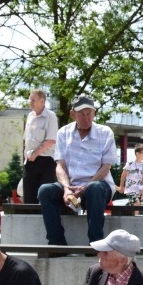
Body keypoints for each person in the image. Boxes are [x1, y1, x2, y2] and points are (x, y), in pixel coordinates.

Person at [38, 94, 118, 245]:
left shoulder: (105, 132)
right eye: (82, 114)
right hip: (71, 185)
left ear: (94, 113)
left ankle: (96, 243)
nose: (86, 118)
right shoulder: (63, 133)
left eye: (90, 113)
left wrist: (85, 187)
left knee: (94, 188)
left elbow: (106, 167)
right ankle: (56, 242)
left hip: (98, 184)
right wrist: (67, 188)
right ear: (72, 114)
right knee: (45, 190)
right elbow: (60, 165)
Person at [21, 89, 59, 204]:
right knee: (28, 197)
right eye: (29, 99)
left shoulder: (50, 116)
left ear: (42, 101)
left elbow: (51, 140)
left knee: (44, 196)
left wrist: (35, 153)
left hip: (46, 162)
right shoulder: (30, 116)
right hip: (30, 162)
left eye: (33, 100)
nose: (30, 102)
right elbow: (26, 139)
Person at [118, 143, 143, 207]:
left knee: (140, 205)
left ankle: (133, 216)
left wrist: (142, 190)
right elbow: (123, 175)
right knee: (136, 204)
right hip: (130, 188)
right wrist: (121, 186)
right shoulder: (130, 164)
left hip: (139, 188)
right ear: (137, 153)